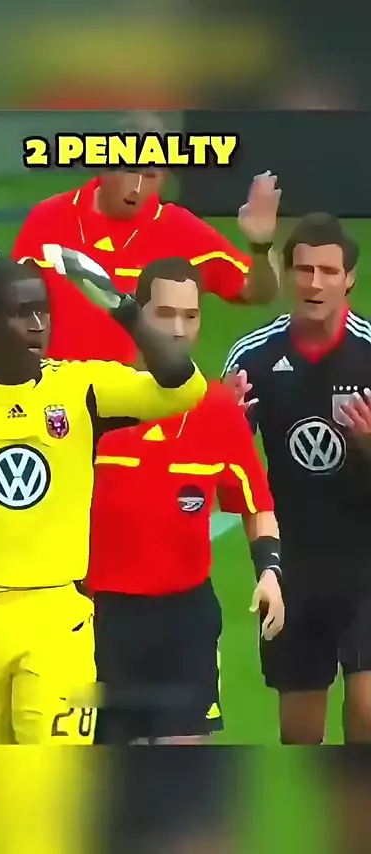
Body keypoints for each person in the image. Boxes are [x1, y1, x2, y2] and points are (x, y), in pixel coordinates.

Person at [0, 241, 207, 745]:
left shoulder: (81, 388)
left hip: (58, 617)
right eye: (21, 313)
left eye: (43, 310)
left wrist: (119, 305)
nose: (38, 324)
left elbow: (185, 386)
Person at [81, 256, 284, 745]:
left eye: (190, 316)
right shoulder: (94, 399)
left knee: (185, 769)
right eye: (165, 314)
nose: (177, 328)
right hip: (102, 620)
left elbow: (256, 503)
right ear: (137, 315)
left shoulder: (216, 410)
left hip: (185, 622)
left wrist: (270, 573)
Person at [221, 212, 371, 744]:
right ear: (287, 276)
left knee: (368, 708)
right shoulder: (253, 357)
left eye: (328, 271)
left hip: (364, 560)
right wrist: (224, 428)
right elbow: (226, 471)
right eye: (304, 269)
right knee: (300, 732)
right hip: (293, 564)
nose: (315, 283)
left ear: (349, 279)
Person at [12, 113, 281, 362]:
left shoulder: (183, 230)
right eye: (129, 170)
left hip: (144, 394)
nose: (137, 187)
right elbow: (11, 309)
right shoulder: (48, 219)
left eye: (150, 175)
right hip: (61, 393)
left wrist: (261, 244)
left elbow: (260, 293)